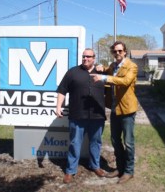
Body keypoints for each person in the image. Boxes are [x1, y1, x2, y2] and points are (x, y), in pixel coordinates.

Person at [56, 48, 107, 184]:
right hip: (77, 115)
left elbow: (113, 88)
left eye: (89, 57)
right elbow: (62, 90)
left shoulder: (102, 73)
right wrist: (58, 106)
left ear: (94, 58)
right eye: (84, 56)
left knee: (96, 143)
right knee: (74, 143)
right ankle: (70, 170)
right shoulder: (73, 72)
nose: (86, 59)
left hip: (97, 115)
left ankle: (95, 166)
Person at [91, 41, 138, 184]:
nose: (117, 53)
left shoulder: (132, 66)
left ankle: (129, 171)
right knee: (115, 140)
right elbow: (108, 70)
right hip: (115, 108)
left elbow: (125, 81)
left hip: (127, 109)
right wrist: (101, 67)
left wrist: (104, 77)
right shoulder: (113, 66)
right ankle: (120, 168)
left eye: (120, 51)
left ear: (124, 51)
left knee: (128, 142)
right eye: (115, 51)